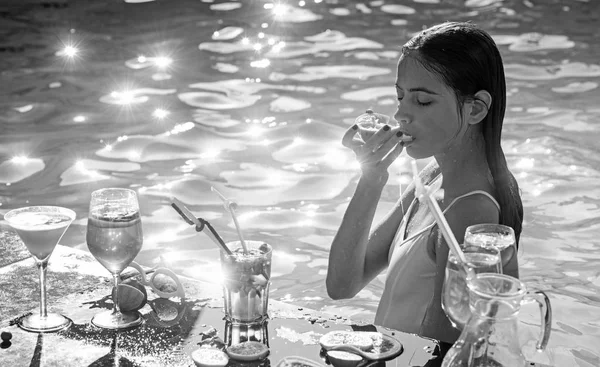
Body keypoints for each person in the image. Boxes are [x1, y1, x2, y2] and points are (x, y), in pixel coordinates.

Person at [326, 21, 523, 346]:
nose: (401, 114)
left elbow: (441, 350)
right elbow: (342, 284)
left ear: (476, 108)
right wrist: (372, 178)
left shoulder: (471, 212)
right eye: (400, 96)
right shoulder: (433, 176)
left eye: (423, 101)